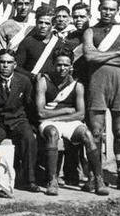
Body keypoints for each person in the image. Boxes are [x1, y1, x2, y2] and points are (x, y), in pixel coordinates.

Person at [36, 47, 109, 196]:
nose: (62, 68)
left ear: (71, 66)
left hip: (67, 121)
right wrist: (64, 111)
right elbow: (40, 112)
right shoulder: (44, 81)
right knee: (52, 133)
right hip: (50, 123)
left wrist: (55, 116)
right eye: (59, 64)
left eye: (66, 65)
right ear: (53, 64)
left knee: (87, 135)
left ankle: (98, 179)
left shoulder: (77, 84)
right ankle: (52, 180)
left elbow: (80, 114)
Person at [83, 0, 120, 191]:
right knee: (96, 132)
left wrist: (102, 57)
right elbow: (89, 56)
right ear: (99, 8)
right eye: (105, 8)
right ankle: (94, 176)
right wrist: (116, 53)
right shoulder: (90, 30)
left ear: (117, 11)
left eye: (112, 9)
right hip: (97, 83)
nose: (108, 12)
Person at [0, 49, 38, 192]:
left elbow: (30, 106)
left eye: (9, 62)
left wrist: (32, 126)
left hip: (18, 119)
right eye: (2, 62)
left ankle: (29, 180)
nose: (5, 65)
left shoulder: (24, 81)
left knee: (29, 138)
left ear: (15, 64)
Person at [60, 2, 92, 186]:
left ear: (89, 16)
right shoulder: (70, 38)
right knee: (72, 129)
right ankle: (72, 172)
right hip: (73, 88)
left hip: (91, 87)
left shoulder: (94, 34)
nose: (79, 20)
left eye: (82, 16)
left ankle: (91, 174)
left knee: (90, 132)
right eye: (76, 16)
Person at [16, 6, 64, 81]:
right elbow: (16, 67)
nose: (43, 26)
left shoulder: (59, 44)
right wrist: (33, 76)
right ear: (36, 22)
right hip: (29, 84)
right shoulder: (27, 42)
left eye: (47, 23)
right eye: (40, 22)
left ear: (53, 25)